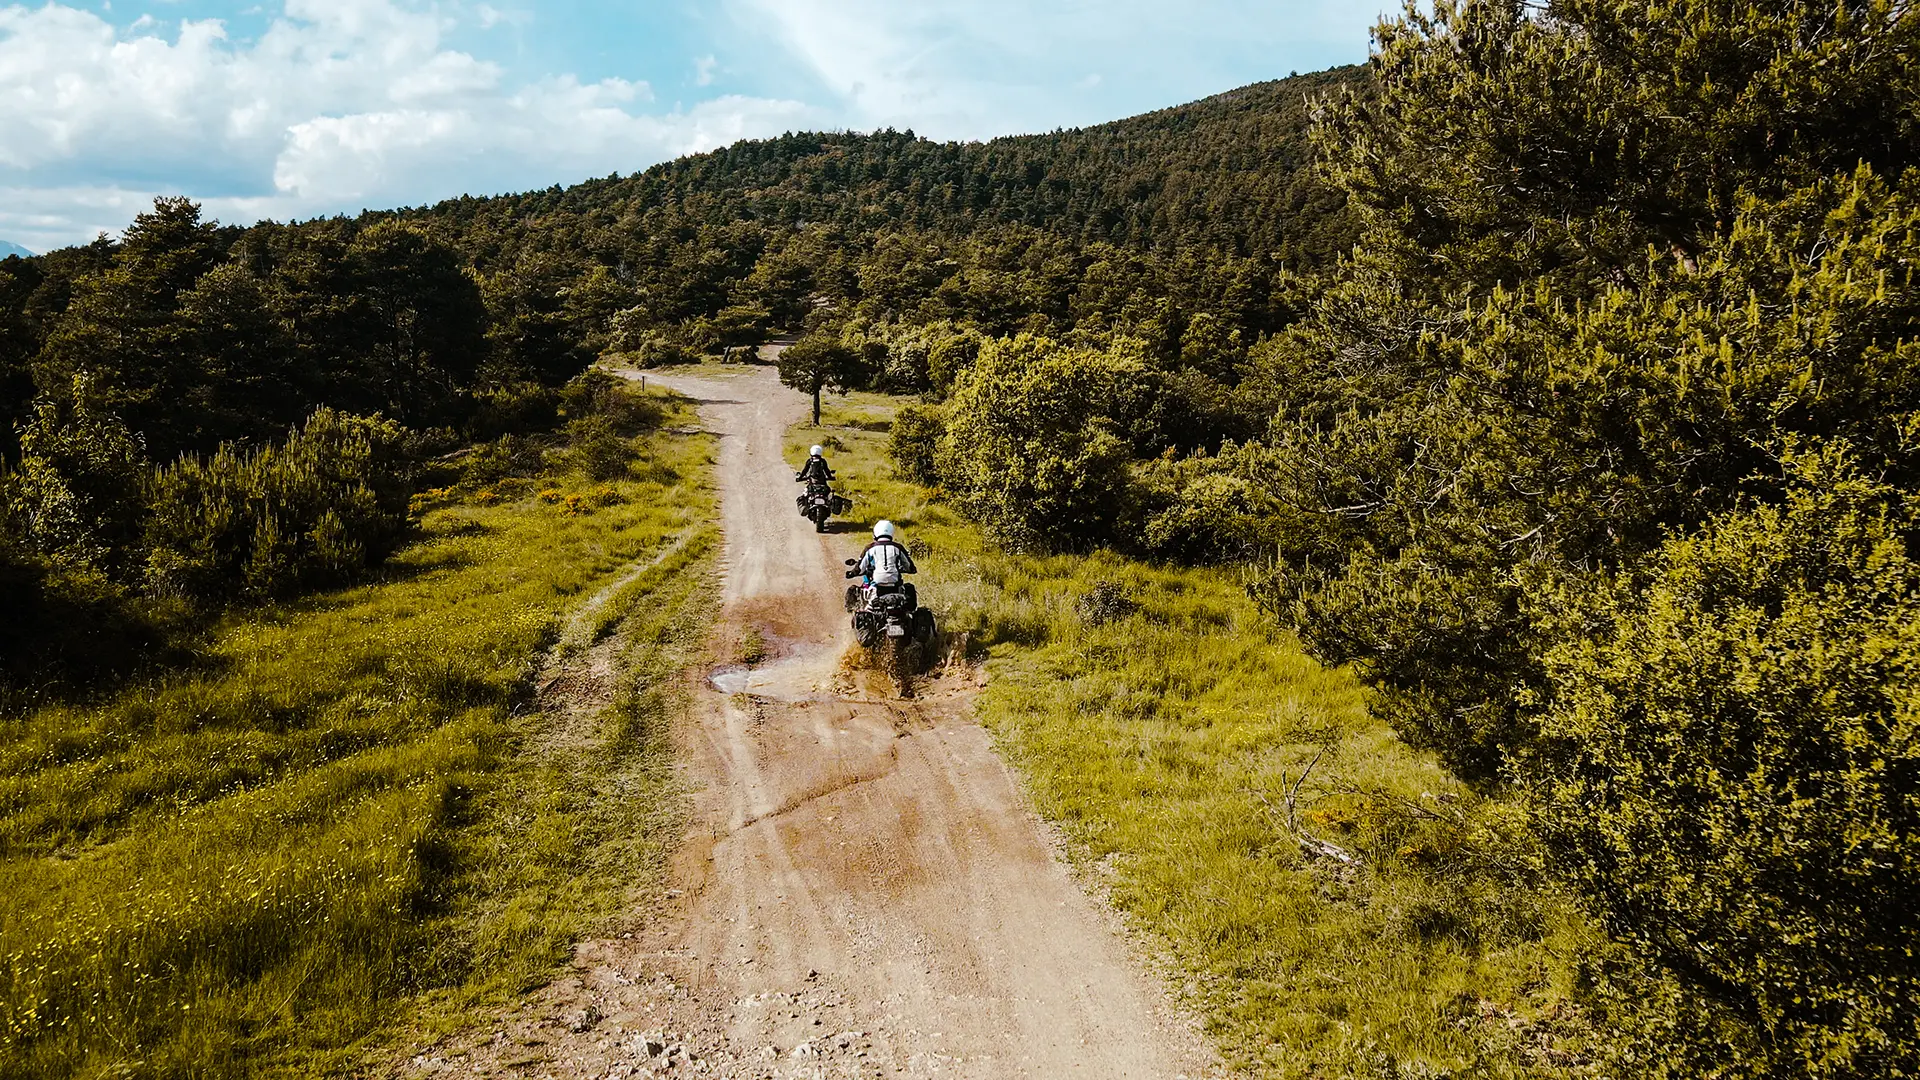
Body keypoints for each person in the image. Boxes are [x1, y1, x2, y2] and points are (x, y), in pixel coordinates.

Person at [848, 519, 917, 609]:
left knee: (857, 594)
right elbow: (909, 566)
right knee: (909, 594)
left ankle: (854, 612)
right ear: (891, 532)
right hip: (895, 585)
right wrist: (911, 570)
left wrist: (851, 573)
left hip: (876, 585)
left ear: (875, 532)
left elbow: (860, 568)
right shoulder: (898, 547)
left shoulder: (870, 548)